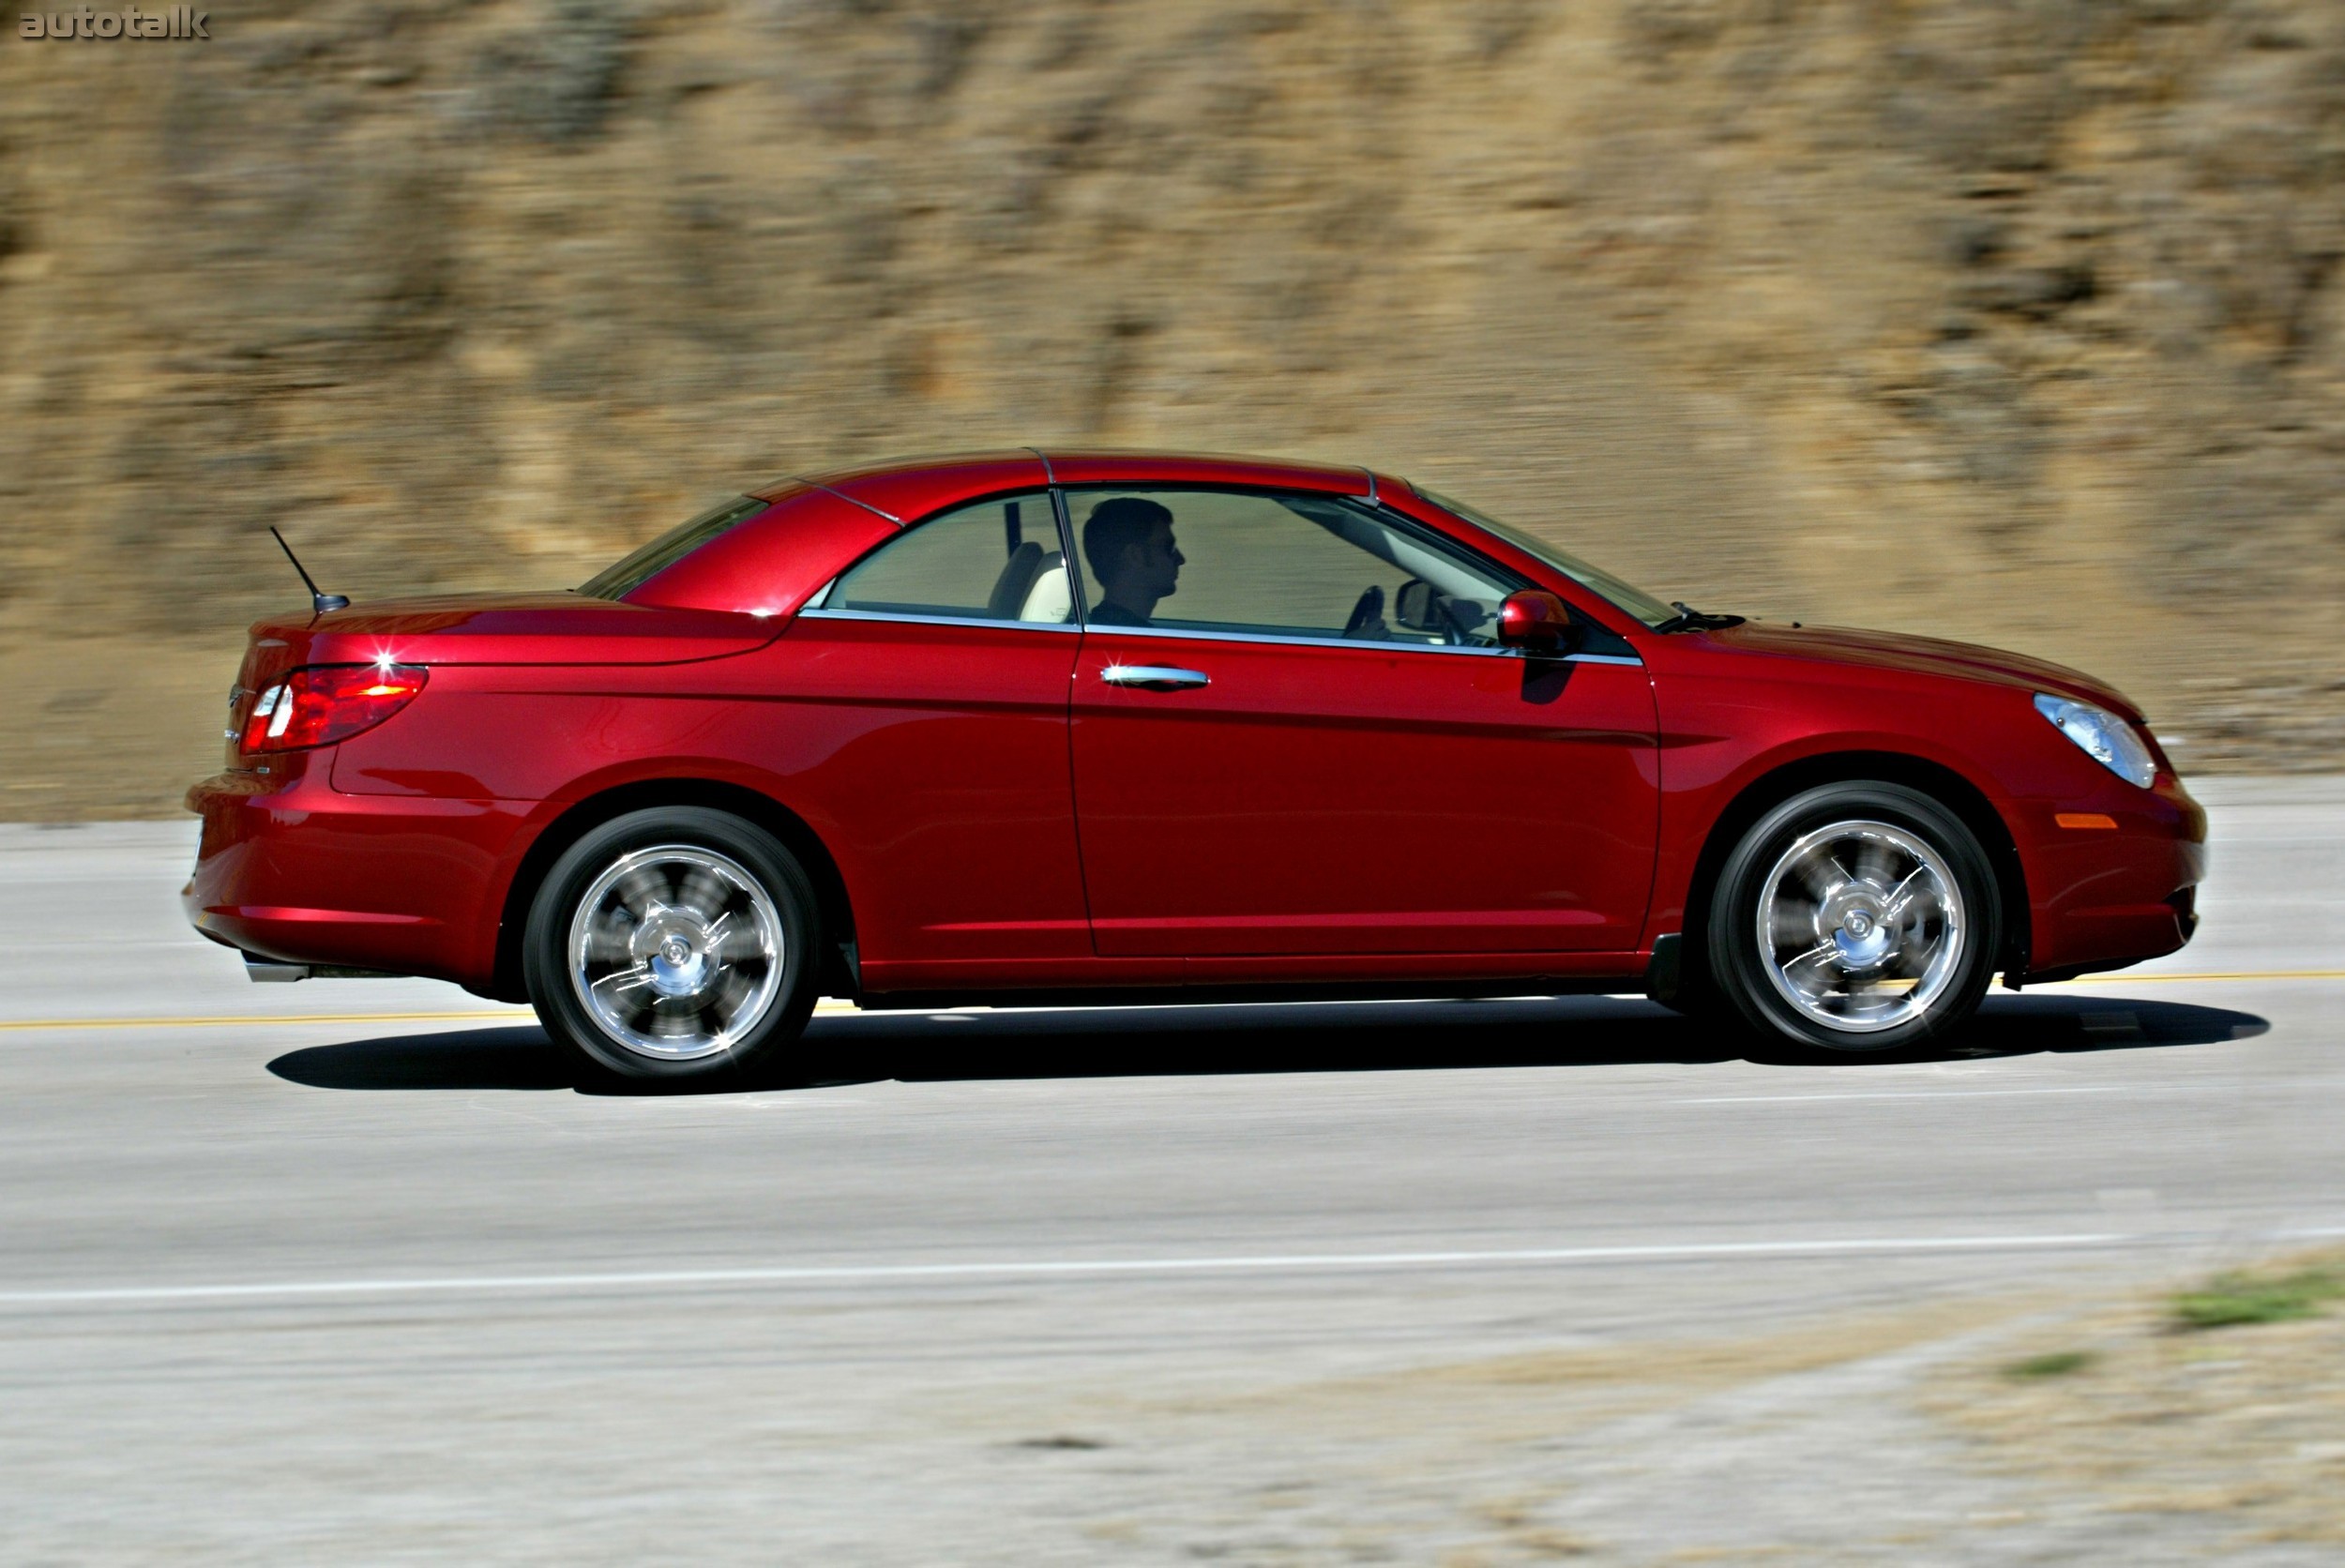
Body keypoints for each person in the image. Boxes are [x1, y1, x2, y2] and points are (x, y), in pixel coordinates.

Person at [1081, 496, 1185, 626]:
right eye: (1169, 548)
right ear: (1135, 555)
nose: (1181, 559)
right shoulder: (1123, 640)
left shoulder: (1105, 629)